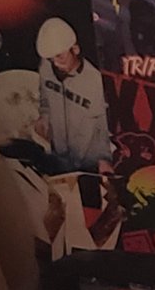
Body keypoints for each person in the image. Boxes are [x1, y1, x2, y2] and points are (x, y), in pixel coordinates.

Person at [35, 16, 111, 174]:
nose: (56, 63)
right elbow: (45, 98)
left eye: (60, 56)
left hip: (89, 165)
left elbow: (104, 126)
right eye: (50, 59)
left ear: (75, 49)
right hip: (59, 159)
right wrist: (44, 116)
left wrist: (104, 159)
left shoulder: (96, 81)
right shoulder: (45, 67)